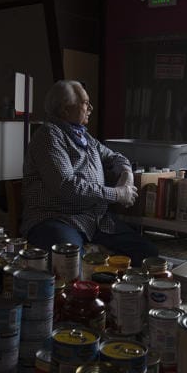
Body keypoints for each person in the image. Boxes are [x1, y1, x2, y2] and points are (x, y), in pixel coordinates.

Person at [20, 79, 159, 267]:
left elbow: (117, 158)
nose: (91, 108)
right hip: (57, 218)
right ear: (64, 110)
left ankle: (115, 291)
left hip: (95, 220)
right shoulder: (49, 135)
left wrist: (126, 177)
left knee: (148, 254)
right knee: (70, 262)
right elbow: (67, 186)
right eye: (85, 103)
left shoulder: (83, 136)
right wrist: (117, 194)